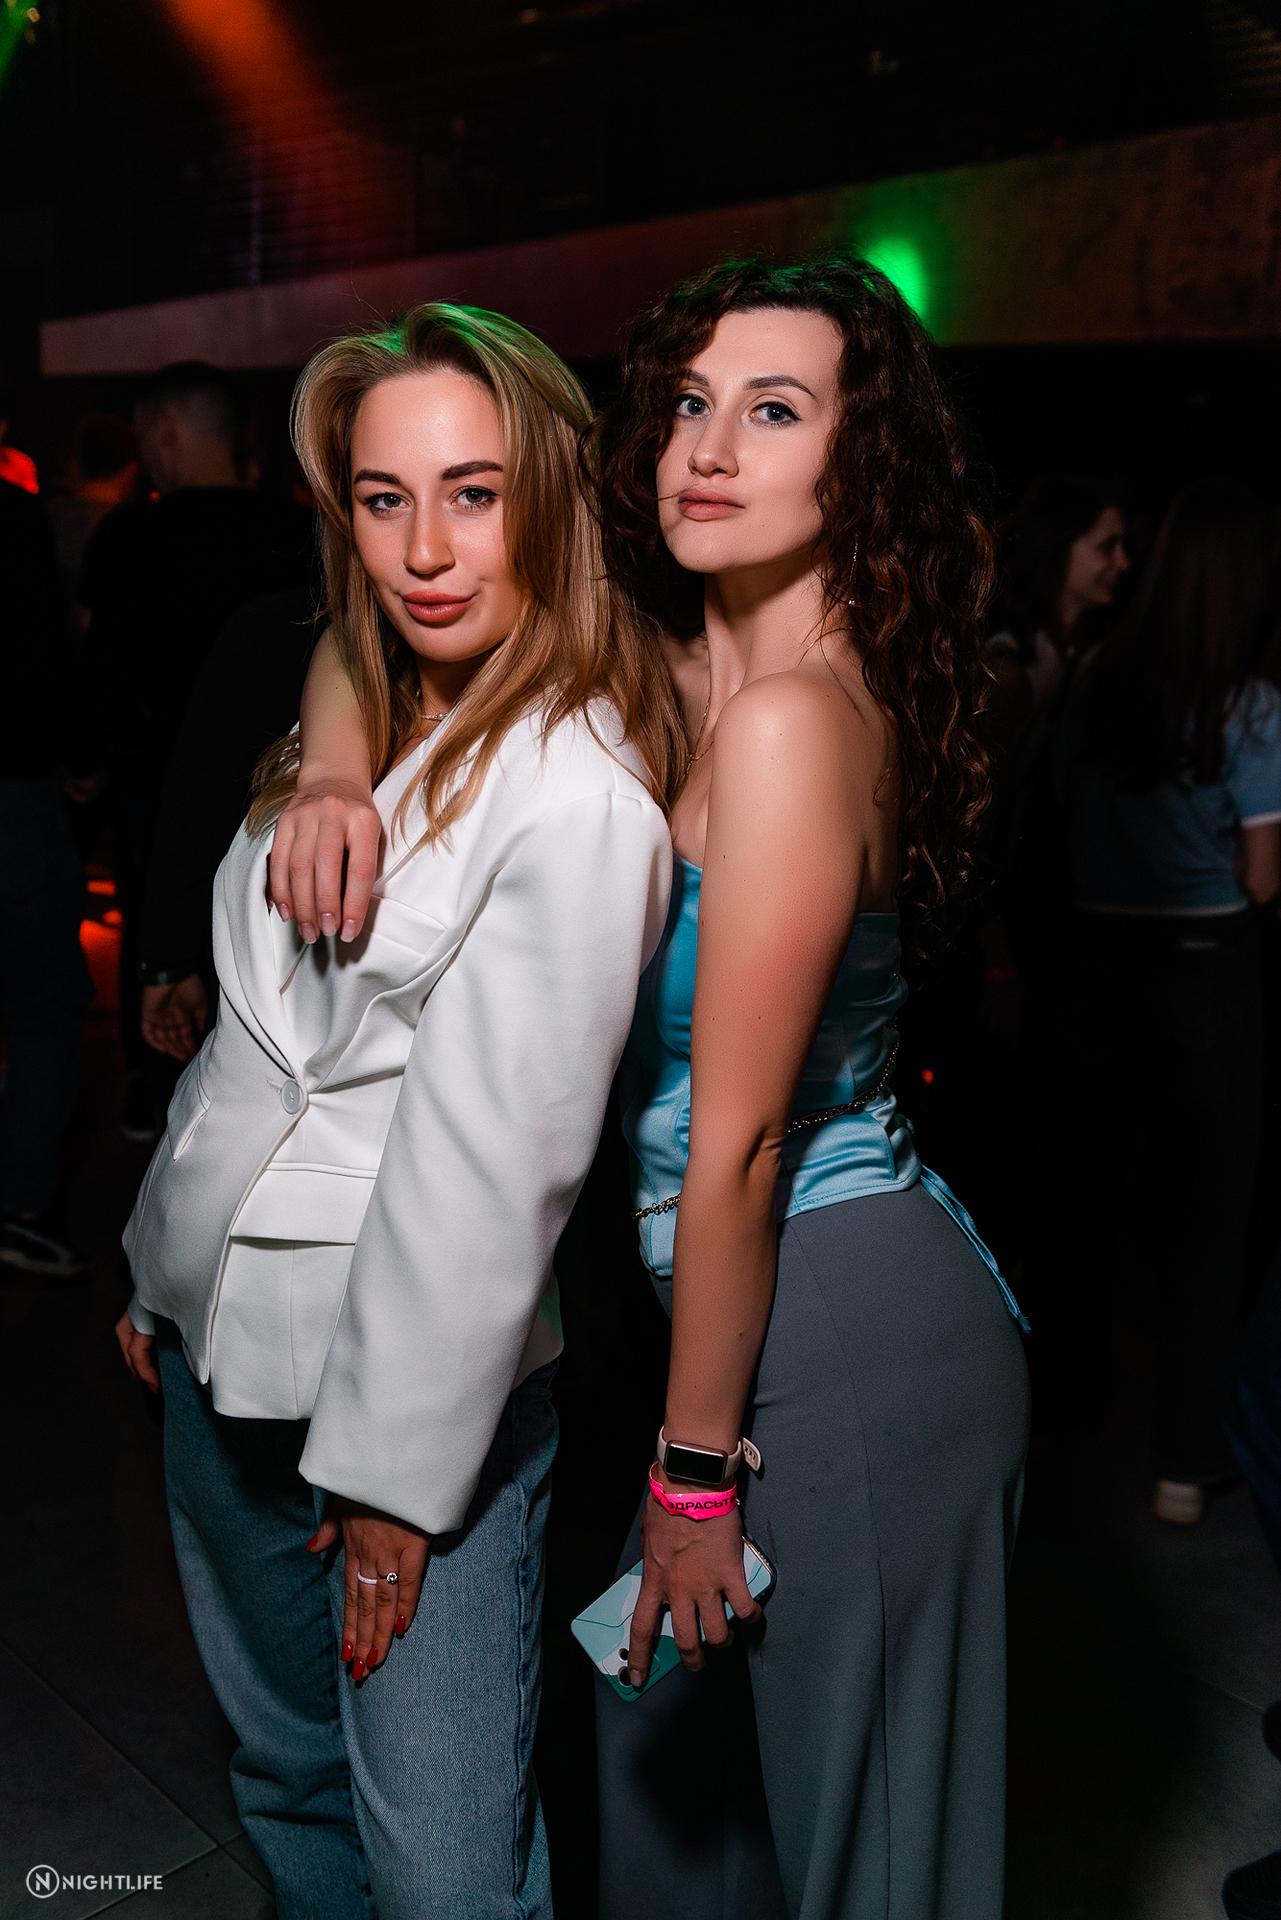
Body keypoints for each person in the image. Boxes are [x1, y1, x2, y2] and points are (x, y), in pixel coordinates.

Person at [287, 257, 1032, 1920]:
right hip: (722, 1316)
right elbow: (369, 637)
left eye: (773, 409)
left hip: (836, 1317)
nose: (707, 445)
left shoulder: (790, 722)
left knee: (872, 1866)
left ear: (862, 460)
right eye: (691, 402)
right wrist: (335, 776)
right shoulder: (664, 668)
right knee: (662, 1808)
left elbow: (746, 1139)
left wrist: (694, 1474)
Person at [114, 302, 676, 1920]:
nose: (424, 548)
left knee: (445, 1876)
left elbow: (493, 1177)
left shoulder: (580, 795)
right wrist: (161, 1267)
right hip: (217, 1354)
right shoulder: (361, 703)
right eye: (383, 498)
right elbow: (256, 1054)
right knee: (287, 1778)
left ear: (549, 495)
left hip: (417, 1409)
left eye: (473, 494)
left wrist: (396, 1480)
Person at [1056, 478, 1281, 1524]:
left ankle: (1069, 1436)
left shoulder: (1097, 677)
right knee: (1206, 1221)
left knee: (1087, 1205)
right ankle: (1185, 1461)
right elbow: (1264, 878)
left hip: (1093, 964)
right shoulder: (1250, 704)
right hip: (1203, 970)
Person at [78, 361, 312, 1139]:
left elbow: (99, 666)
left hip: (156, 792)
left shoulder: (131, 536)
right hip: (280, 798)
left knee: (162, 951)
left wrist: (87, 758)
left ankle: (159, 1097)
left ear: (166, 432)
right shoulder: (296, 533)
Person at [0, 475, 93, 1278]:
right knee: (42, 999)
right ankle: (18, 1204)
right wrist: (74, 753)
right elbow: (42, 649)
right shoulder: (13, 516)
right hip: (13, 787)